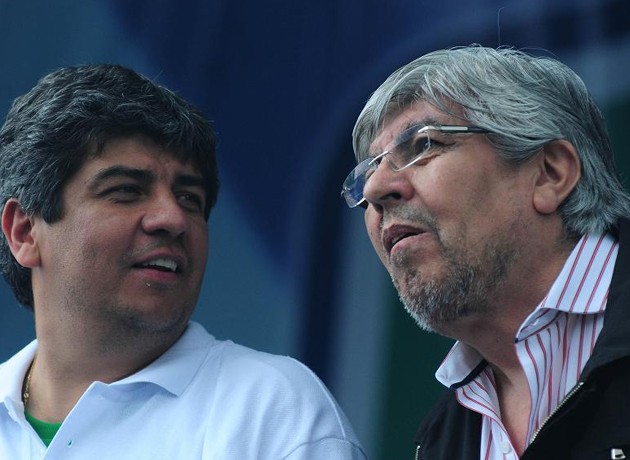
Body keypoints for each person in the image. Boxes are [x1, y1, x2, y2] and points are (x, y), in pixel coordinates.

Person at [0, 63, 366, 459]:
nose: (173, 219)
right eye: (126, 190)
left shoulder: (274, 410)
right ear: (24, 232)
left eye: (190, 198)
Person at [342, 45, 630, 459]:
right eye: (368, 172)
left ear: (550, 173)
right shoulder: (441, 441)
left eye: (423, 145)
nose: (374, 190)